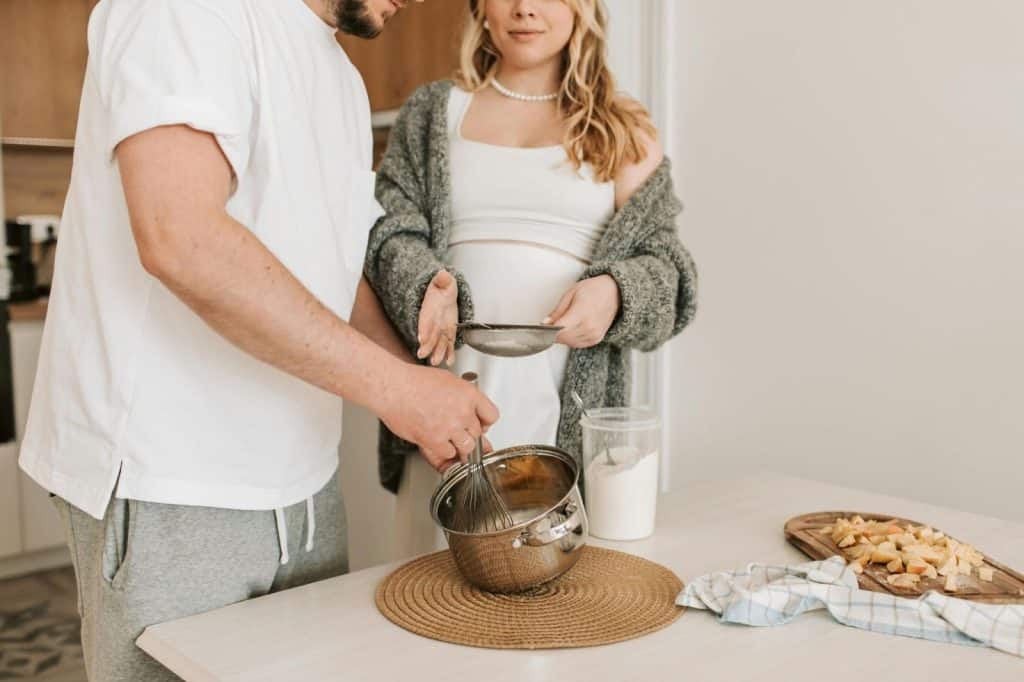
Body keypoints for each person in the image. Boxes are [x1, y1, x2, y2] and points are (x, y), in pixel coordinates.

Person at [17, 1, 499, 679]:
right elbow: (181, 238)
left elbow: (330, 267)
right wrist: (398, 390)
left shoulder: (341, 76)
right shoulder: (187, 11)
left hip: (306, 482)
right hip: (172, 481)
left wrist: (419, 395)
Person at [365, 0, 697, 557]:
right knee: (428, 586)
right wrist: (425, 282)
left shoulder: (623, 128)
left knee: (551, 586)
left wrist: (617, 293)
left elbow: (670, 272)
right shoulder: (432, 112)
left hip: (564, 412)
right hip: (444, 406)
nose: (524, 9)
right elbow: (387, 232)